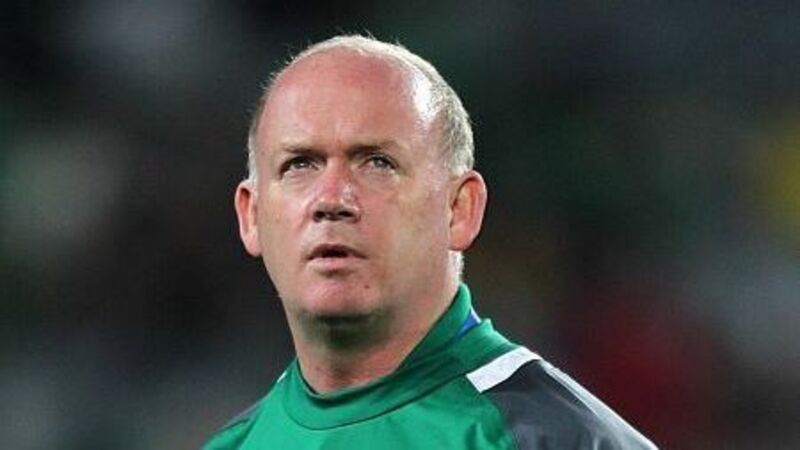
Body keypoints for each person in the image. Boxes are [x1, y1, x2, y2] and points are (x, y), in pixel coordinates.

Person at [204, 35, 657, 449]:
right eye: (300, 164)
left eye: (377, 162)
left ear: (459, 209)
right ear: (251, 216)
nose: (332, 199)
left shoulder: (562, 441)